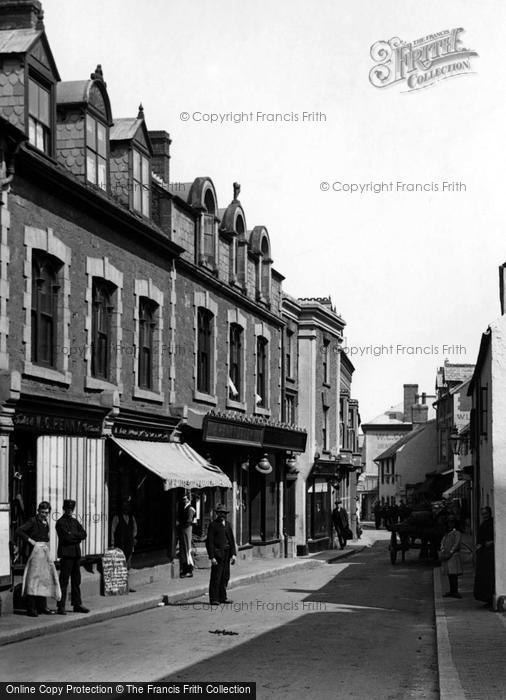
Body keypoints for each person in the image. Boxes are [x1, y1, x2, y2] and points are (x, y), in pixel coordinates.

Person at [15, 501, 60, 616]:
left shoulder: (46, 523)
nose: (44, 514)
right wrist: (31, 541)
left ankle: (42, 607)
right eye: (42, 512)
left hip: (43, 553)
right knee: (33, 580)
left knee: (44, 580)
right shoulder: (32, 521)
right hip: (34, 554)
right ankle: (31, 608)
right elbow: (19, 531)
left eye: (46, 512)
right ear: (38, 511)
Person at [56, 499, 89, 615]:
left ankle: (77, 604)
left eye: (71, 509)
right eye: (67, 509)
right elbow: (66, 538)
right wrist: (77, 537)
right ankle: (61, 606)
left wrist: (73, 535)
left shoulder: (75, 522)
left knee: (76, 580)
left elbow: (84, 534)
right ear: (64, 509)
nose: (69, 511)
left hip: (76, 555)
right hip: (66, 555)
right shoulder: (60, 522)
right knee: (64, 581)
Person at [205, 503, 236, 605]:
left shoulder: (227, 524)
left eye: (224, 513)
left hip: (227, 554)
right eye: (220, 513)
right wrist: (212, 557)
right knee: (216, 576)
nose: (222, 515)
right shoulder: (213, 525)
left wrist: (233, 554)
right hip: (218, 554)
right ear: (217, 514)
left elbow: (231, 540)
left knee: (225, 576)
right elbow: (209, 542)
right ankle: (214, 598)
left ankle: (223, 597)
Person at [111, 499, 138, 591]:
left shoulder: (131, 517)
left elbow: (135, 529)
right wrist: (112, 543)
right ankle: (119, 587)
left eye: (128, 506)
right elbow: (112, 531)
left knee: (127, 566)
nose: (126, 508)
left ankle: (127, 585)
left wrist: (132, 537)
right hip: (119, 545)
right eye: (124, 506)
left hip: (129, 545)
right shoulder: (117, 518)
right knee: (119, 566)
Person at [474, 506, 494, 607]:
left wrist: (491, 542)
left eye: (486, 513)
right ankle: (486, 598)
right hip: (483, 553)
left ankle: (490, 598)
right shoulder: (483, 524)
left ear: (489, 513)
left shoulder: (492, 523)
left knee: (489, 577)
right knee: (483, 577)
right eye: (483, 514)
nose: (484, 515)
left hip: (490, 554)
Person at [440, 516, 463, 598]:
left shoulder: (457, 533)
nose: (450, 524)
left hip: (453, 556)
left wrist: (450, 552)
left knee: (454, 574)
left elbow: (456, 544)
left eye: (452, 522)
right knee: (450, 574)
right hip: (447, 555)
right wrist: (443, 550)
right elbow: (442, 542)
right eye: (449, 522)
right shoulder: (447, 533)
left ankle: (455, 591)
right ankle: (452, 591)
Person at [177, 494, 196, 578]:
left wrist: (181, 524)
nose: (184, 500)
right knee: (184, 549)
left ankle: (189, 570)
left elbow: (189, 520)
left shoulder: (190, 508)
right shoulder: (184, 508)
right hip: (183, 529)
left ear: (189, 499)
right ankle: (185, 569)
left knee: (187, 548)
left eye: (185, 499)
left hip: (187, 528)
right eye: (183, 499)